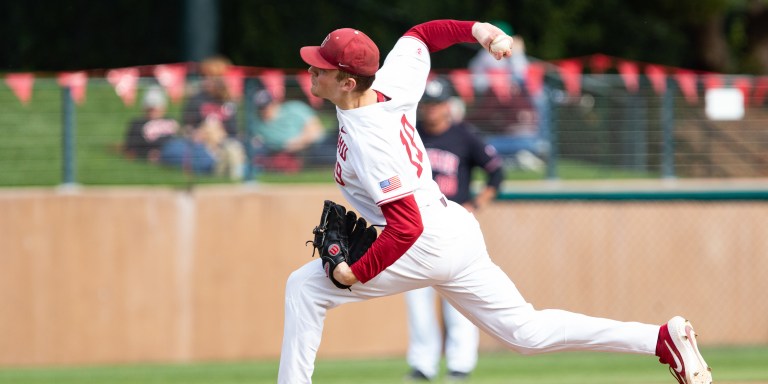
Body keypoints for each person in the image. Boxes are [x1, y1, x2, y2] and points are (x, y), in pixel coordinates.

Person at [279, 20, 712, 384]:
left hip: (424, 239)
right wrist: (483, 31)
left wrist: (356, 271)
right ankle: (661, 339)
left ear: (348, 81)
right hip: (454, 227)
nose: (311, 71)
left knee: (305, 289)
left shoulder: (372, 141)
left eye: (320, 68)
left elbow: (406, 226)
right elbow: (421, 35)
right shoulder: (387, 85)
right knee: (526, 333)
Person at [404, 77, 504, 381]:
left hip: (453, 224)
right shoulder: (411, 135)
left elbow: (496, 171)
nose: (431, 110)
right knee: (416, 296)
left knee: (458, 296)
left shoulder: (464, 136)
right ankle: (423, 364)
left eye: (436, 104)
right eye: (428, 104)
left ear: (448, 105)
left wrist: (477, 204)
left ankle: (461, 364)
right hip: (416, 226)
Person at [466, 21, 548, 171]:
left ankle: (515, 157)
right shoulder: (486, 56)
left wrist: (517, 55)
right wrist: (516, 55)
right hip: (497, 120)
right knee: (485, 144)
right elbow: (482, 81)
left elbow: (522, 75)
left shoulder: (524, 90)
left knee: (530, 138)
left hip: (520, 129)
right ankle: (515, 156)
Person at [180, 55, 246, 180]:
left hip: (224, 141)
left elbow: (234, 130)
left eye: (210, 76)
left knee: (231, 145)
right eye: (204, 76)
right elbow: (187, 127)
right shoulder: (196, 99)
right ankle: (226, 164)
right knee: (211, 126)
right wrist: (197, 133)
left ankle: (228, 164)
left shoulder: (229, 101)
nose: (206, 80)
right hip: (203, 143)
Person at [248, 85, 326, 173]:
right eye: (261, 108)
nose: (265, 110)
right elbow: (284, 146)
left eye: (267, 106)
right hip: (289, 153)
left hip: (315, 146)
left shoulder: (294, 107)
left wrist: (301, 140)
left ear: (274, 103)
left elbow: (317, 129)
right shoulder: (259, 126)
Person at [123, 86, 179, 163]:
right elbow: (131, 148)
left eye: (156, 107)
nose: (153, 110)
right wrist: (147, 153)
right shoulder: (138, 124)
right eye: (150, 107)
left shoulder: (172, 121)